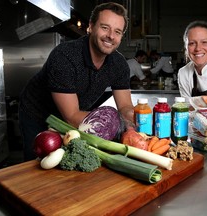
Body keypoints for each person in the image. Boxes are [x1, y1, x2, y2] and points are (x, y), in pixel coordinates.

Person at [19, 2, 135, 161]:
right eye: (105, 27)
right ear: (91, 26)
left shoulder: (119, 64)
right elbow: (72, 117)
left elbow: (125, 107)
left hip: (78, 113)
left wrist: (139, 118)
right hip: (39, 114)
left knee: (69, 162)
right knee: (38, 163)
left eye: (117, 31)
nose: (111, 36)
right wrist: (116, 124)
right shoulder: (64, 57)